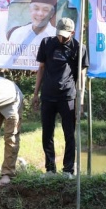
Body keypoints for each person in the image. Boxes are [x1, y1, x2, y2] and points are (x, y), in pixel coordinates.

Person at [32, 17, 88, 177]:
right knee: (47, 133)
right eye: (59, 34)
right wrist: (36, 94)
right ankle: (50, 169)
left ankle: (68, 169)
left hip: (68, 96)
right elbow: (41, 68)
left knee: (69, 134)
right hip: (48, 95)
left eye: (65, 35)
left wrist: (80, 101)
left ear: (73, 32)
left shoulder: (79, 48)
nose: (61, 38)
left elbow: (82, 76)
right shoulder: (47, 43)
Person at [1, 0, 58, 68]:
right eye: (36, 8)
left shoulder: (56, 36)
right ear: (30, 10)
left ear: (52, 14)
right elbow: (3, 60)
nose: (40, 13)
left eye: (45, 10)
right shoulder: (18, 33)